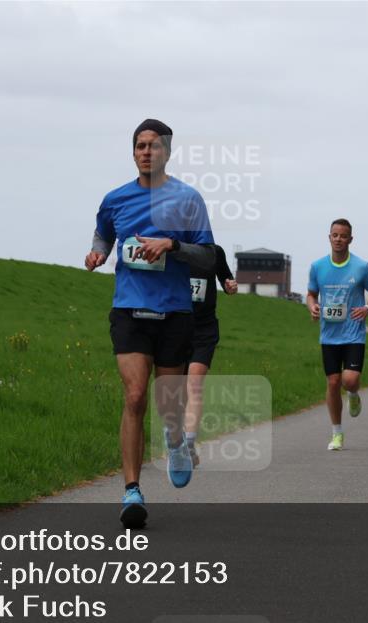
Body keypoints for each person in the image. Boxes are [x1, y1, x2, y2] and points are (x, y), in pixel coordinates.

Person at [85, 119, 215, 528]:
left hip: (175, 313)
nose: (146, 152)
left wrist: (173, 245)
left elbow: (209, 257)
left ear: (167, 152)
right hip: (129, 310)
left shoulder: (188, 199)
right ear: (133, 152)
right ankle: (131, 490)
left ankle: (174, 439)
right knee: (136, 396)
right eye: (140, 145)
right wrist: (97, 253)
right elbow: (103, 234)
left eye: (154, 146)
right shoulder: (116, 199)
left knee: (167, 403)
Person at [307, 219, 368, 451]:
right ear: (329, 237)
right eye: (335, 235)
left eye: (343, 236)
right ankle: (337, 433)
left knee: (349, 380)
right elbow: (311, 294)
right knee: (333, 382)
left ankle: (353, 393)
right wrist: (312, 306)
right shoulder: (318, 266)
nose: (339, 239)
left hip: (353, 333)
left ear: (350, 239)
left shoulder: (361, 266)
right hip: (329, 334)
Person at [183, 246, 237, 467]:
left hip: (204, 329)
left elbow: (227, 281)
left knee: (194, 384)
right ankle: (178, 440)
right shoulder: (171, 248)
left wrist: (230, 285)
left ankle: (188, 443)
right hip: (175, 326)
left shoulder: (214, 252)